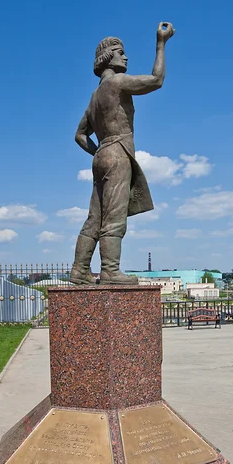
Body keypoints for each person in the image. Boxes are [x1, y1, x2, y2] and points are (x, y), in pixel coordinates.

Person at [70, 22, 175, 285]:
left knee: (94, 217)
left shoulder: (95, 97)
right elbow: (156, 80)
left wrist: (99, 152)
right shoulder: (116, 83)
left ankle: (80, 270)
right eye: (120, 52)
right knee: (114, 217)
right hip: (117, 153)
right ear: (108, 58)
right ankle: (110, 271)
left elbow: (80, 135)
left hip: (101, 155)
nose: (125, 56)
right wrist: (161, 43)